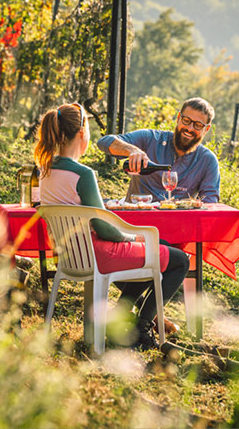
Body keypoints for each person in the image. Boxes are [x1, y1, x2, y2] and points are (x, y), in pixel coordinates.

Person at [33, 102, 189, 350]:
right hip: (97, 254)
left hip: (69, 256)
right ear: (83, 132)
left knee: (158, 249)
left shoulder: (43, 170)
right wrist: (132, 237)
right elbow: (105, 229)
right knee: (179, 259)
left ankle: (119, 323)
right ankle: (142, 326)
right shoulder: (83, 174)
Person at [96, 97, 220, 203]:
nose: (189, 128)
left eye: (198, 125)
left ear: (206, 129)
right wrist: (132, 150)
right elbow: (104, 142)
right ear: (178, 118)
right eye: (186, 121)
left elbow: (210, 203)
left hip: (178, 226)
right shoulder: (150, 139)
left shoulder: (207, 160)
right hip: (136, 222)